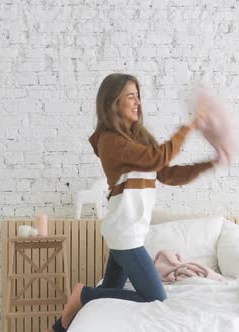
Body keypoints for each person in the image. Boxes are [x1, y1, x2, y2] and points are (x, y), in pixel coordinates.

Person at [47, 73, 216, 332]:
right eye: (130, 96)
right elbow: (158, 158)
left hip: (128, 229)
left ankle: (59, 327)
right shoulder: (110, 141)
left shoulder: (135, 140)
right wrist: (190, 127)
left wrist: (209, 164)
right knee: (154, 297)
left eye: (138, 96)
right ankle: (84, 296)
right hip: (125, 231)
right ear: (113, 102)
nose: (138, 102)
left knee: (111, 291)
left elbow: (167, 173)